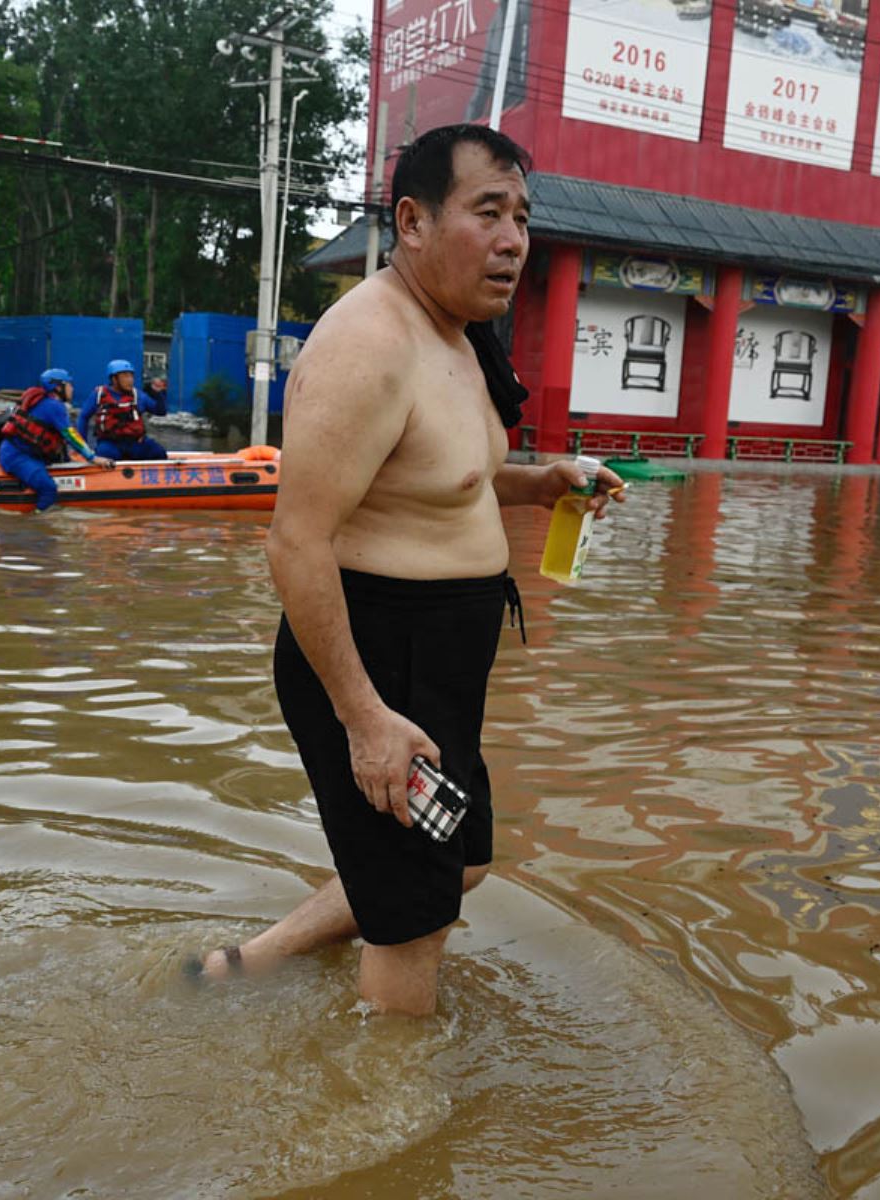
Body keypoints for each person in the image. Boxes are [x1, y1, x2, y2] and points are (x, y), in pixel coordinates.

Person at [185, 124, 622, 1016]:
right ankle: (392, 1122)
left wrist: (539, 484)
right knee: (413, 925)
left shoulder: (459, 334)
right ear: (414, 222)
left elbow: (435, 474)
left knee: (456, 867)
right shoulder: (368, 345)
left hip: (442, 662)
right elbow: (296, 542)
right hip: (375, 661)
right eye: (488, 213)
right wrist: (365, 719)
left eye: (523, 218)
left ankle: (253, 961)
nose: (512, 242)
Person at [0, 367, 114, 511]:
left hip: (26, 453)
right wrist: (92, 457)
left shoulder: (45, 403)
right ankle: (37, 523)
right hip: (17, 456)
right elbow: (70, 434)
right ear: (58, 387)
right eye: (69, 385)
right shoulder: (53, 406)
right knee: (48, 489)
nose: (72, 388)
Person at [78, 359, 168, 462]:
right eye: (125, 376)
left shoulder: (138, 396)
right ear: (114, 379)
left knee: (159, 452)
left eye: (131, 376)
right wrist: (83, 447)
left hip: (135, 443)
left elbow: (161, 411)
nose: (130, 380)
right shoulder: (99, 395)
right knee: (105, 453)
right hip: (110, 443)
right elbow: (83, 417)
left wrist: (159, 393)